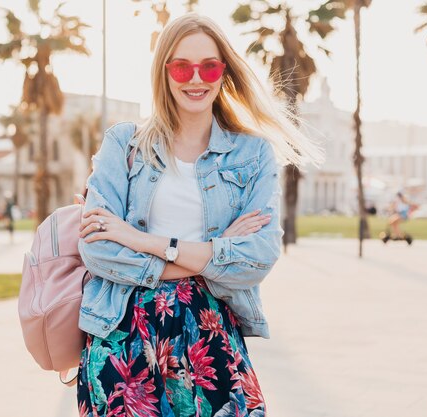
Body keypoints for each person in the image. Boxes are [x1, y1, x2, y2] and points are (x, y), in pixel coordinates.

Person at [75, 13, 322, 416]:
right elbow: (98, 249)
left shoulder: (252, 153)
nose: (196, 78)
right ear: (164, 71)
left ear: (223, 72)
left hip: (210, 330)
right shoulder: (124, 144)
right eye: (181, 66)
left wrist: (139, 239)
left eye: (209, 66)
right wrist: (211, 254)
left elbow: (257, 258)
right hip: (121, 332)